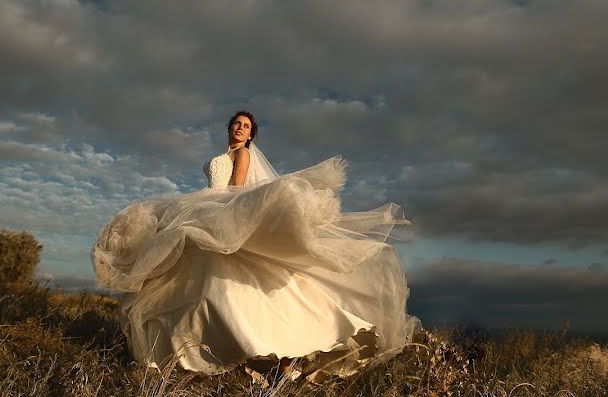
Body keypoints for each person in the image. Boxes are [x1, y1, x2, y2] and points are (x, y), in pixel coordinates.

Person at [92, 111, 418, 380]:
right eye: (236, 123)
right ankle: (200, 353)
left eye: (246, 126)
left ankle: (251, 348)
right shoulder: (225, 153)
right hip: (208, 204)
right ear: (230, 128)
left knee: (214, 283)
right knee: (197, 281)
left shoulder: (243, 153)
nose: (239, 128)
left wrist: (219, 217)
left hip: (221, 206)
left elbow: (235, 189)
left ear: (250, 136)